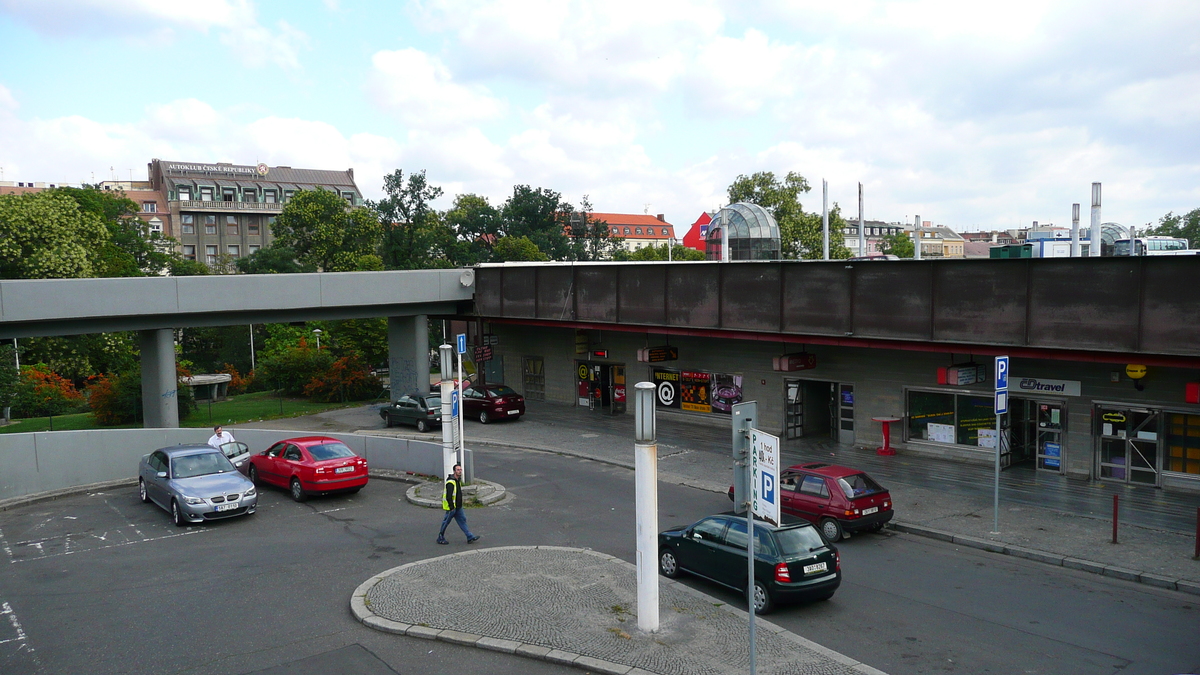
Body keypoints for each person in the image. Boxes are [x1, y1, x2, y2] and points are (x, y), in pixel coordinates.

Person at [437, 464, 479, 545]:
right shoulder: (451, 482)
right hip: (452, 508)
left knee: (462, 520)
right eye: (458, 470)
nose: (460, 471)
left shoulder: (457, 480)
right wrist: (451, 507)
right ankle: (440, 537)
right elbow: (449, 496)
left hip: (458, 507)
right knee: (446, 522)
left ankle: (469, 536)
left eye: (460, 469)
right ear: (454, 471)